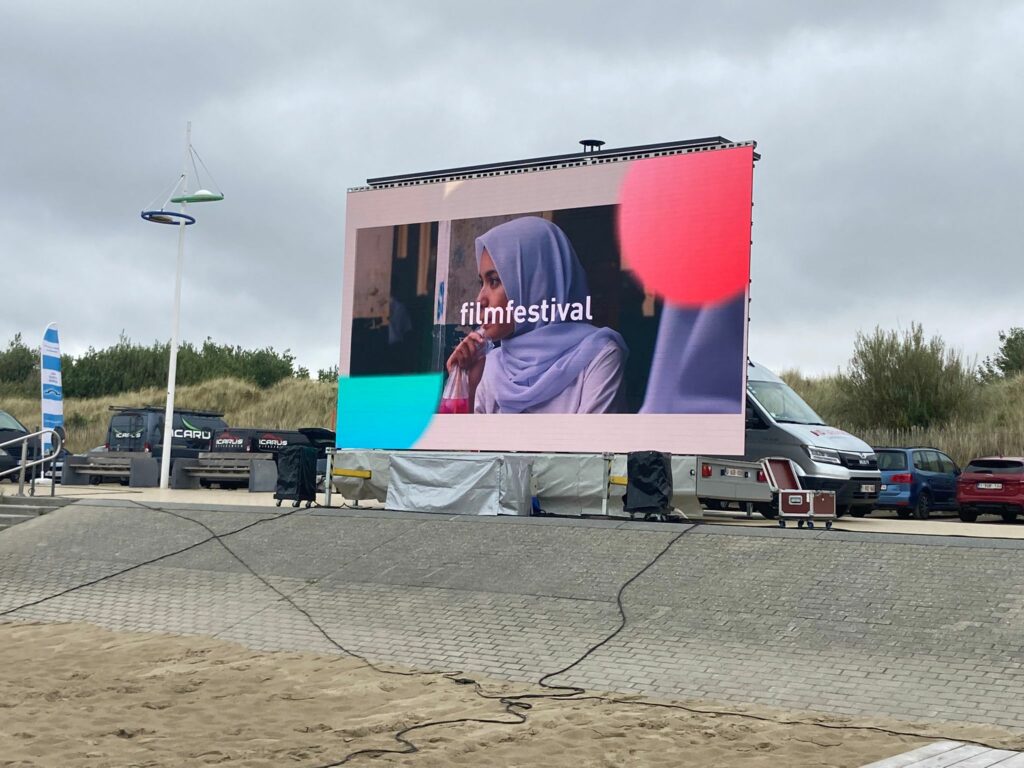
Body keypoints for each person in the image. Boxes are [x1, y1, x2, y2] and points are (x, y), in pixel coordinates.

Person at [446, 216, 627, 414]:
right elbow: (468, 445)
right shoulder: (491, 367)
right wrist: (468, 387)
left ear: (536, 285)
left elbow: (592, 444)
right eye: (482, 283)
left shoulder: (598, 356)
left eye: (495, 281)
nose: (480, 299)